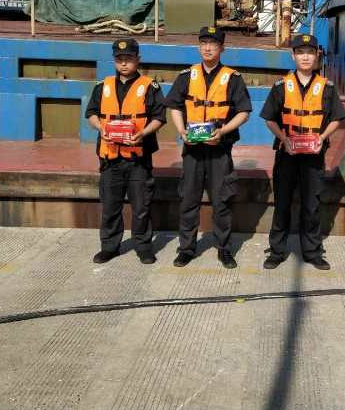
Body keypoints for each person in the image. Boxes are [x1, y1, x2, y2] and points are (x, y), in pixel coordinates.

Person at [164, 26, 252, 269]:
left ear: (222, 48)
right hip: (192, 150)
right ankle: (186, 249)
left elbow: (244, 112)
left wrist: (223, 131)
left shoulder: (233, 78)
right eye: (203, 43)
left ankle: (224, 249)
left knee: (222, 202)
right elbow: (174, 106)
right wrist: (182, 132)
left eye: (213, 44)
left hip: (219, 151)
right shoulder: (186, 75)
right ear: (198, 46)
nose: (208, 48)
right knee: (188, 201)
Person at [260, 34, 345, 270]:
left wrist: (322, 137)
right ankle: (277, 251)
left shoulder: (327, 87)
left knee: (312, 205)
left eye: (310, 52)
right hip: (287, 153)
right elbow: (269, 118)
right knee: (282, 203)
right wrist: (284, 139)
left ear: (317, 55)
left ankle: (312, 252)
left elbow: (337, 118)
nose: (306, 57)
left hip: (314, 155)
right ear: (293, 56)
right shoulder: (281, 86)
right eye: (300, 52)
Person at [85, 38, 165, 265]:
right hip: (110, 158)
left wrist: (143, 133)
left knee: (141, 207)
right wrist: (101, 128)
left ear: (137, 59)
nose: (123, 63)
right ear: (114, 60)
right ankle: (109, 247)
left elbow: (159, 117)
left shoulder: (150, 86)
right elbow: (91, 113)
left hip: (138, 158)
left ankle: (143, 247)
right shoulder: (103, 86)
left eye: (128, 58)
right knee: (110, 206)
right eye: (119, 59)